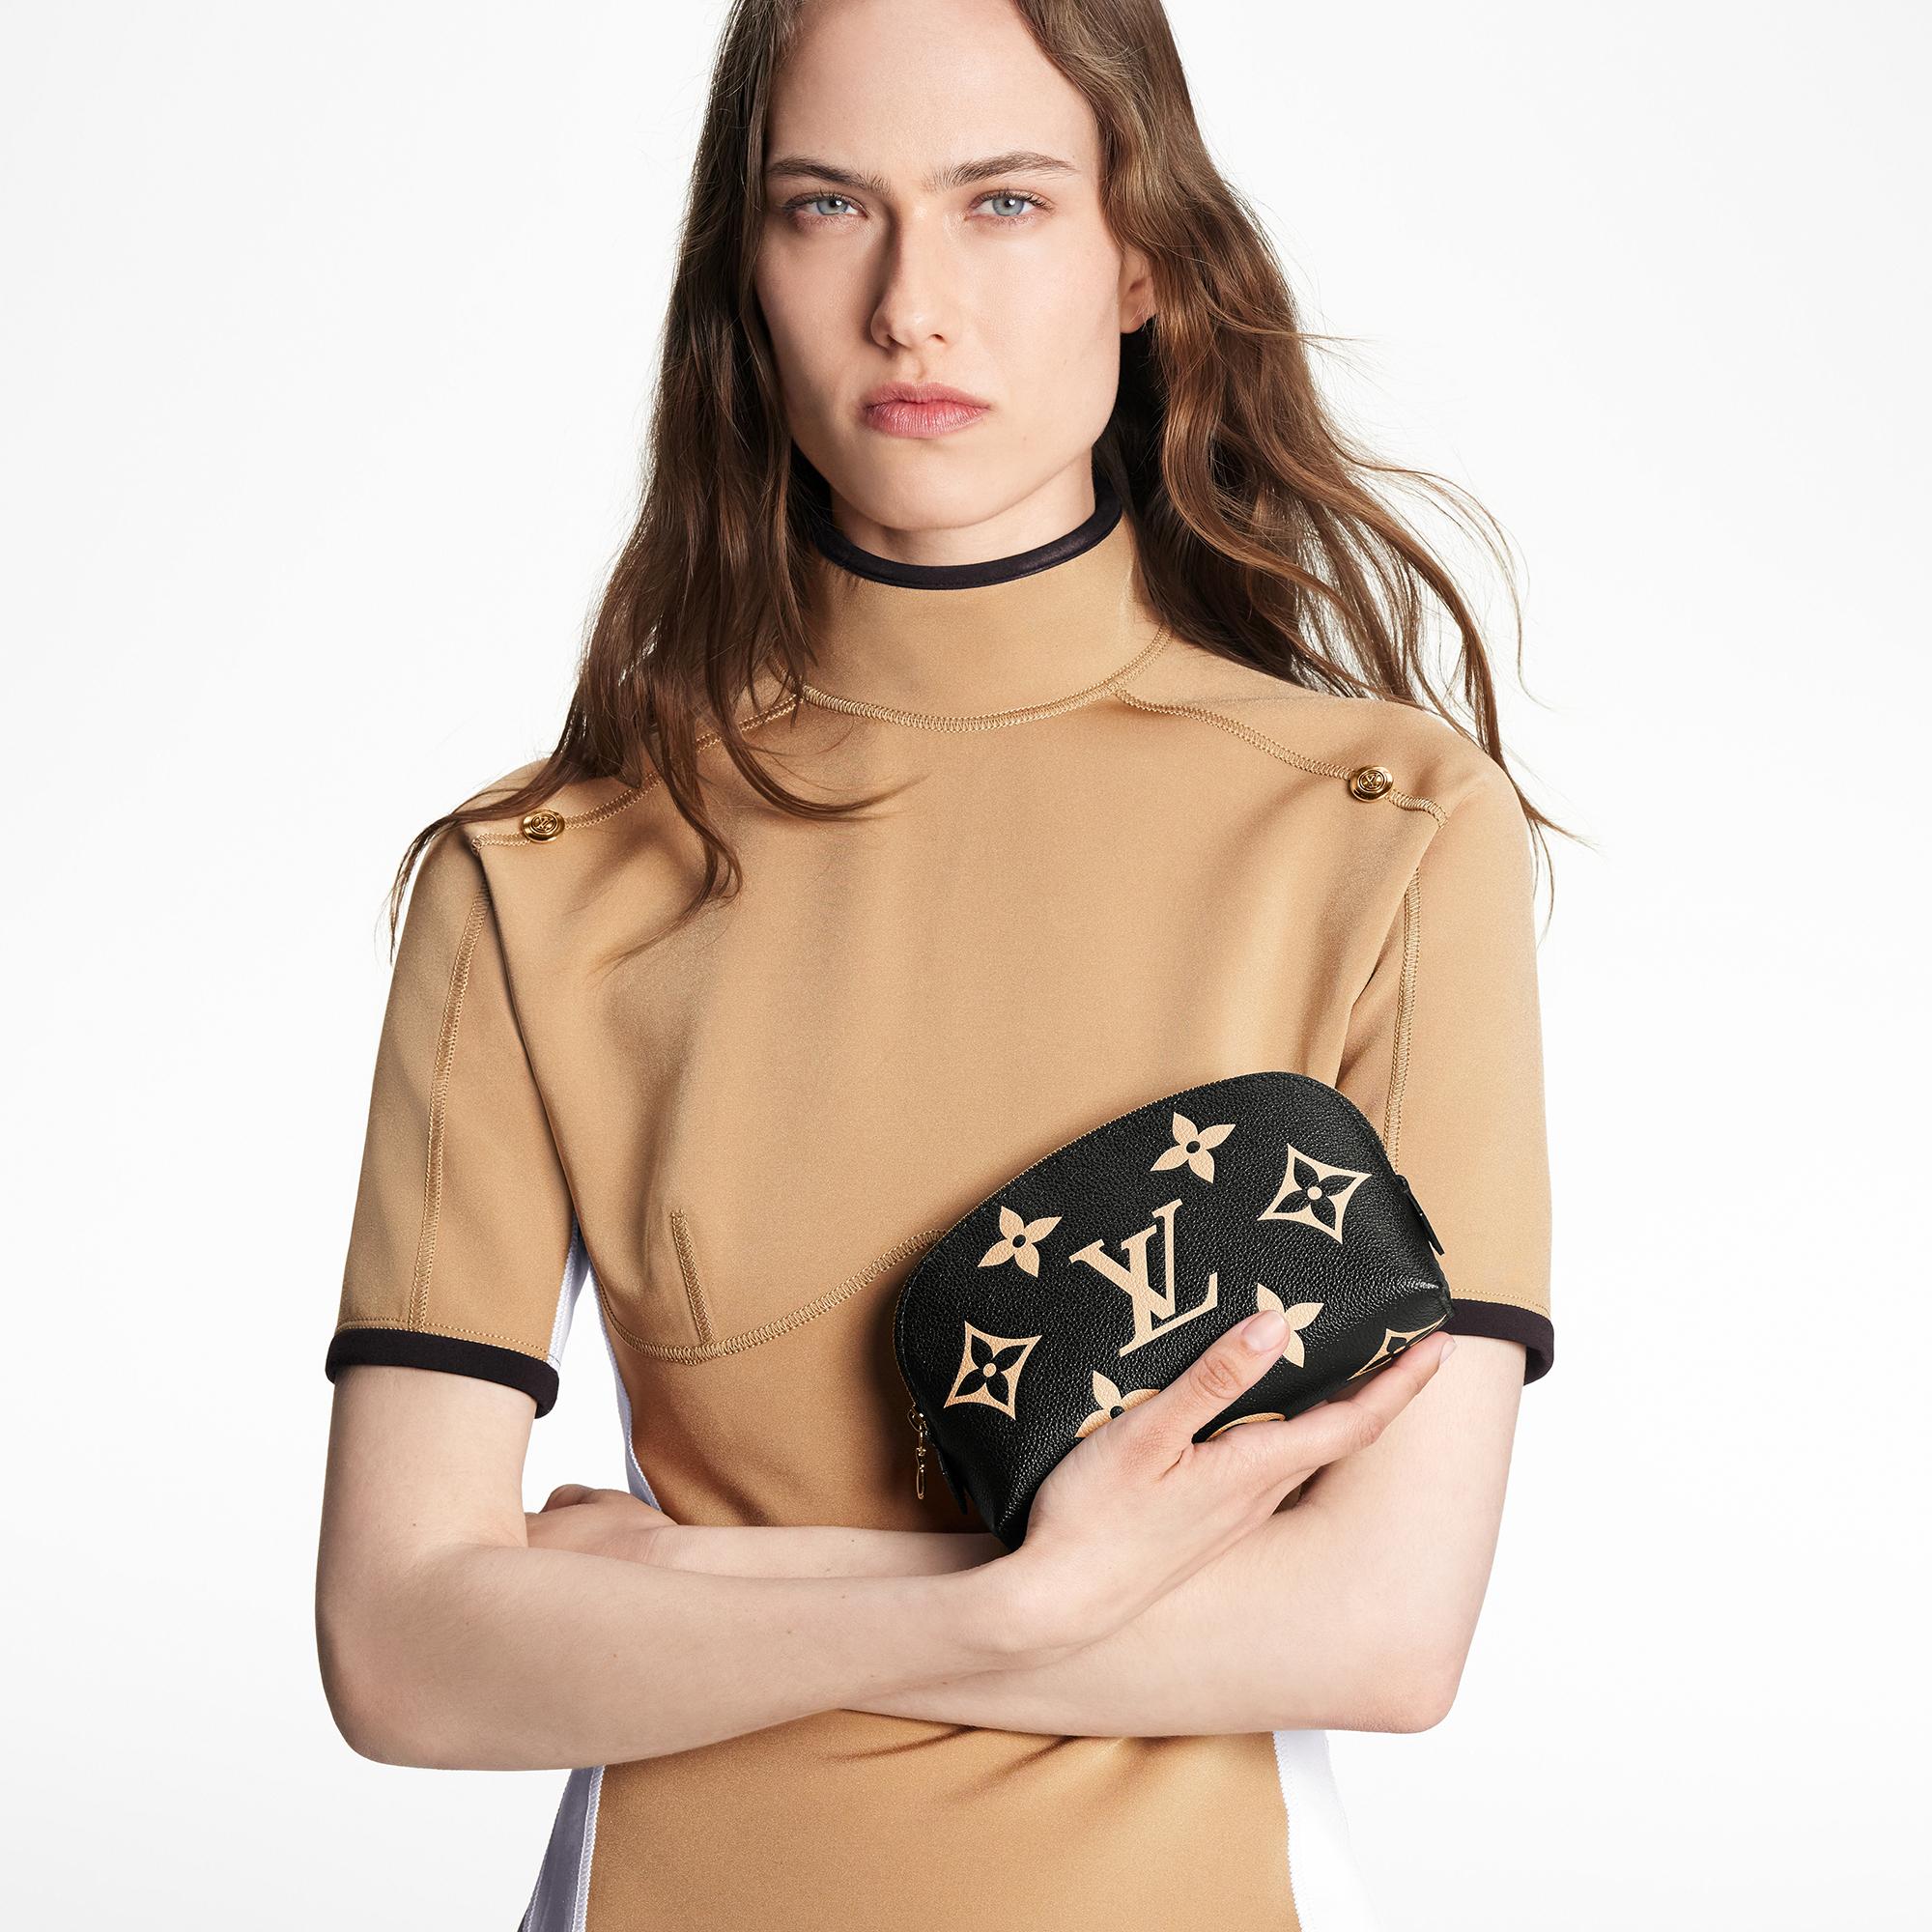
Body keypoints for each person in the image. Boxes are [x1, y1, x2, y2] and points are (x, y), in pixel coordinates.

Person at [315, 1, 1565, 1926]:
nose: (911, 306)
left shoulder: (1384, 826)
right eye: (827, 206)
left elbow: (1379, 1629)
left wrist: (707, 1577)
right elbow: (402, 1656)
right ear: (746, 271)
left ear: (1140, 255)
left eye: (1003, 201)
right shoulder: (541, 873)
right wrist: (1026, 1600)